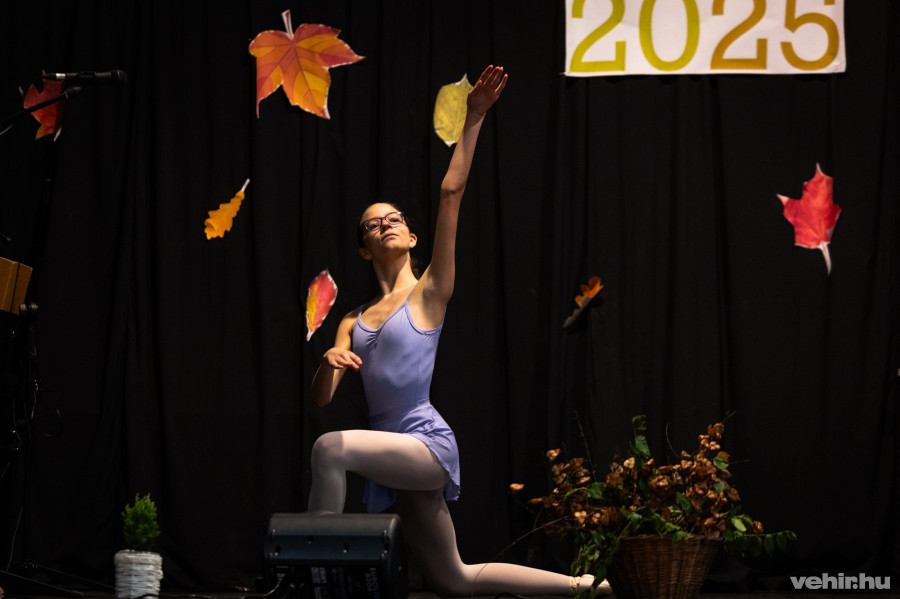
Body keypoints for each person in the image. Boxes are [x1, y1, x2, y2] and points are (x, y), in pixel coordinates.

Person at [310, 65, 610, 597]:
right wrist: (327, 362)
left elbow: (451, 192)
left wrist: (473, 119)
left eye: (394, 218)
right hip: (388, 452)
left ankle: (319, 583)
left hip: (422, 444)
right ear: (363, 249)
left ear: (412, 236)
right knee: (455, 580)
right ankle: (590, 588)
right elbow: (322, 397)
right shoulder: (351, 319)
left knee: (330, 449)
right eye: (373, 224)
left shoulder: (430, 291)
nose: (385, 224)